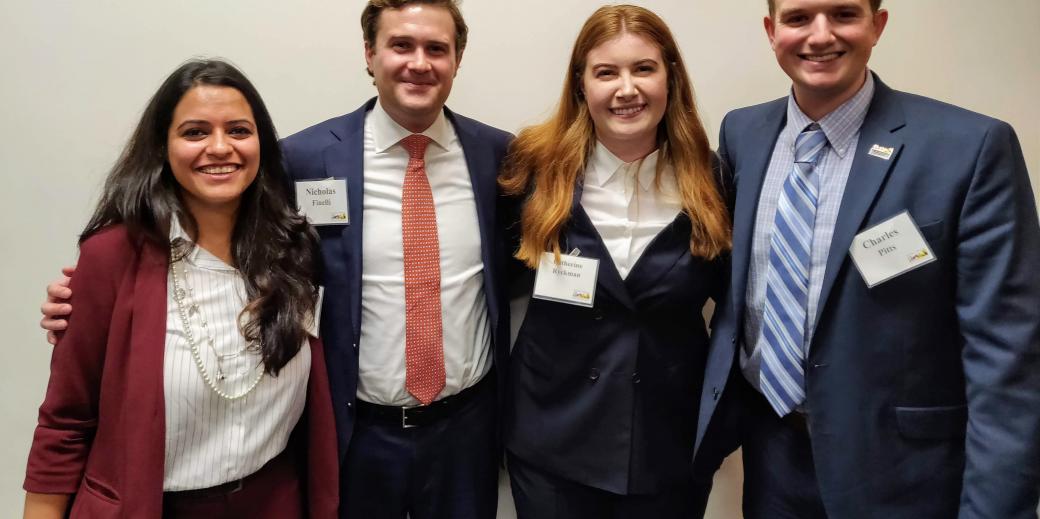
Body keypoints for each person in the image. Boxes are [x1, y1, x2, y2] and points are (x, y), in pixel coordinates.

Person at [41, 2, 510, 518]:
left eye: (436, 48)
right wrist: (95, 300)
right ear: (370, 54)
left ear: (458, 58)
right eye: (401, 45)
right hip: (354, 435)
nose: (418, 63)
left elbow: (526, 265)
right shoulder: (303, 158)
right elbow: (224, 237)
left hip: (467, 429)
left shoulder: (499, 157)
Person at [694, 0, 1040, 517]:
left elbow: (1008, 360)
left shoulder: (969, 147)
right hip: (772, 459)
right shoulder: (742, 134)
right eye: (797, 18)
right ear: (771, 32)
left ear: (877, 25)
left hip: (903, 475)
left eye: (843, 14)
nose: (820, 35)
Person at [23, 59, 337, 518]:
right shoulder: (112, 257)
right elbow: (66, 421)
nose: (219, 147)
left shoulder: (293, 249)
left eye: (238, 130)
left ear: (261, 144)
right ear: (163, 147)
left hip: (274, 501)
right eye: (194, 132)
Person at [498, 5, 731, 518]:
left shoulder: (714, 182)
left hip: (668, 446)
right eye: (607, 72)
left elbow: (741, 304)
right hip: (551, 445)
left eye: (644, 68)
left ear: (670, 76)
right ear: (581, 85)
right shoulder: (533, 172)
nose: (627, 89)